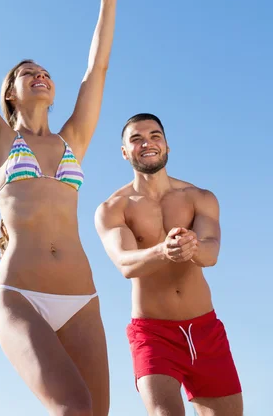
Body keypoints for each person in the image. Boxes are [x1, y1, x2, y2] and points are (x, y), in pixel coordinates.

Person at [0, 0, 121, 416]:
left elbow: (97, 69)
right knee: (72, 407)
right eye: (28, 72)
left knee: (96, 412)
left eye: (46, 72)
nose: (41, 75)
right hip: (20, 294)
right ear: (10, 93)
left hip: (81, 294)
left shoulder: (72, 140)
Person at [95, 113, 242, 416]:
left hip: (205, 330)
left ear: (167, 146)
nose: (147, 143)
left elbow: (211, 253)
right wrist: (163, 251)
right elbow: (125, 264)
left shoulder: (199, 197)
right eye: (136, 139)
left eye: (154, 135)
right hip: (153, 334)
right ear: (124, 152)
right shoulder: (113, 208)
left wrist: (192, 246)